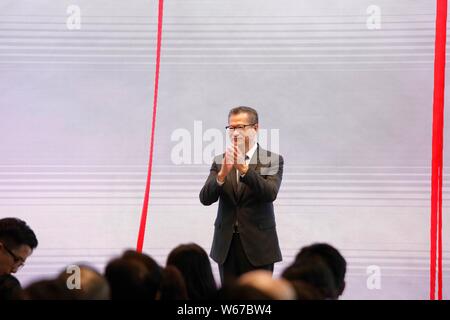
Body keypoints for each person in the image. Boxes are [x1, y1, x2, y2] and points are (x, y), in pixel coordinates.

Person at [199, 106, 284, 284]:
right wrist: (221, 175)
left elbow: (270, 193)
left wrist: (244, 170)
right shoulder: (220, 160)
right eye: (231, 128)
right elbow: (205, 199)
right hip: (226, 245)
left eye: (241, 127)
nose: (235, 132)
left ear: (256, 128)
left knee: (257, 299)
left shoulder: (272, 159)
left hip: (259, 246)